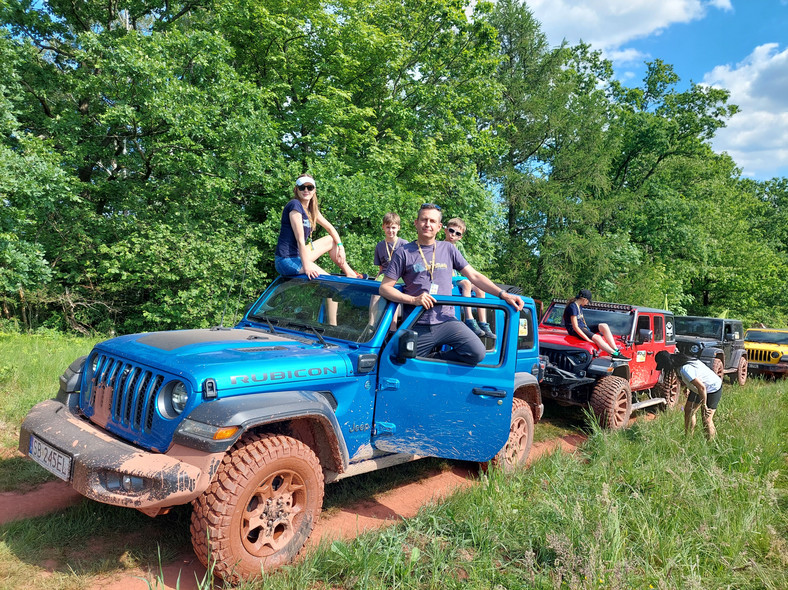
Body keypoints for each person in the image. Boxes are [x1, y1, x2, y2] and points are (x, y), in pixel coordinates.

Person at [379, 203, 523, 365]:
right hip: (417, 322)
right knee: (401, 364)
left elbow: (474, 276)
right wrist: (414, 300)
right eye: (424, 220)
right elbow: (384, 288)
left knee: (477, 352)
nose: (428, 224)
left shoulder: (448, 249)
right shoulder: (403, 252)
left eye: (432, 221)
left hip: (446, 321)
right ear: (416, 223)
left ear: (439, 227)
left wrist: (503, 294)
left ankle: (433, 360)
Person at [274, 174, 362, 279]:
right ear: (296, 189)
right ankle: (330, 293)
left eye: (310, 187)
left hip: (297, 255)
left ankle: (351, 273)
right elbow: (300, 240)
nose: (306, 190)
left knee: (330, 240)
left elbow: (330, 228)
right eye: (302, 187)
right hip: (286, 260)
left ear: (314, 190)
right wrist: (307, 268)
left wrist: (341, 247)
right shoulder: (295, 205)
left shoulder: (311, 210)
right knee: (330, 282)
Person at [443, 217, 495, 340]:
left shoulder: (459, 247)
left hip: (456, 277)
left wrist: (475, 281)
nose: (453, 235)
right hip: (447, 277)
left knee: (479, 288)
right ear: (445, 230)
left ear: (460, 237)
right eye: (451, 231)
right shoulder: (440, 245)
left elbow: (464, 266)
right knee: (466, 283)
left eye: (457, 233)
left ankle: (483, 323)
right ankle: (469, 319)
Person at [656, 350, 722, 439]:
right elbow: (695, 378)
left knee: (706, 418)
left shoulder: (685, 369)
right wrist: (688, 387)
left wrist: (704, 405)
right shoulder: (678, 364)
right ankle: (688, 438)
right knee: (689, 411)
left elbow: (702, 387)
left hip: (712, 388)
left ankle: (711, 444)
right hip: (698, 389)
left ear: (667, 364)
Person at [562, 289, 630, 360]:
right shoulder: (573, 307)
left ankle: (616, 349)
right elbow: (575, 327)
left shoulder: (579, 306)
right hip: (575, 330)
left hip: (583, 327)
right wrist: (588, 339)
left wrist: (588, 331)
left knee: (604, 326)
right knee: (597, 338)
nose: (587, 303)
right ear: (584, 299)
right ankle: (614, 354)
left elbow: (582, 322)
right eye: (588, 301)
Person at [374, 212, 408, 279]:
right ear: (383, 227)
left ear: (398, 228)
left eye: (393, 227)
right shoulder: (379, 246)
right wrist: (376, 278)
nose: (390, 230)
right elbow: (381, 269)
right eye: (388, 227)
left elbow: (408, 267)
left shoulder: (404, 245)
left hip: (400, 277)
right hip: (384, 276)